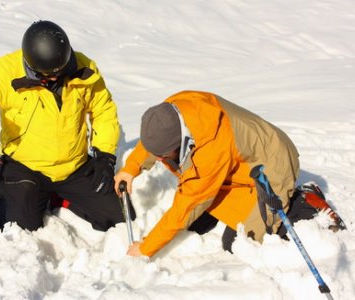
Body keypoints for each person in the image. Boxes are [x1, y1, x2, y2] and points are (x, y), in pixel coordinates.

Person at [0, 20, 135, 231]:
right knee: (21, 226)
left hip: (74, 167)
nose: (57, 76)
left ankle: (52, 197)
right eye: (51, 74)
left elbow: (103, 110)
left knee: (119, 214)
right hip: (26, 167)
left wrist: (105, 157)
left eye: (62, 69)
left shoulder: (84, 68)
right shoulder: (7, 70)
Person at [114, 90, 340, 258]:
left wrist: (146, 248)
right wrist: (130, 168)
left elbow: (187, 206)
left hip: (272, 165)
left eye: (164, 156)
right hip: (237, 167)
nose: (161, 160)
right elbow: (154, 140)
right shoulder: (170, 112)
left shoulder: (211, 149)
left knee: (241, 241)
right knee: (212, 205)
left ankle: (305, 204)